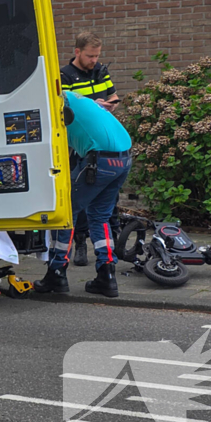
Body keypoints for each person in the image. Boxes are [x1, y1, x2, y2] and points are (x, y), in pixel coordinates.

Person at [34, 91, 132, 298]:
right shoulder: (79, 100)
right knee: (100, 216)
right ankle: (107, 275)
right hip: (123, 159)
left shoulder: (56, 101)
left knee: (66, 213)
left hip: (99, 160)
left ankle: (56, 272)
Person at [61, 31, 119, 266]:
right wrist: (92, 106)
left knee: (108, 199)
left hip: (103, 142)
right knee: (81, 197)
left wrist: (110, 105)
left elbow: (114, 97)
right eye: (90, 56)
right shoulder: (65, 76)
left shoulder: (101, 72)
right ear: (77, 52)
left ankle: (112, 245)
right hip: (80, 144)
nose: (94, 60)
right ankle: (80, 244)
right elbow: (64, 105)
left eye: (97, 56)